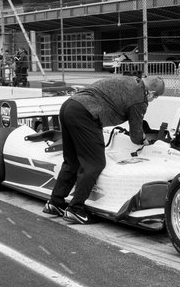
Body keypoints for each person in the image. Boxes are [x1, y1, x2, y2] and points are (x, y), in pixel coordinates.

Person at [45, 73, 166, 224]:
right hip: (86, 114)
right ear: (152, 93)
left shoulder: (129, 79)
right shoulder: (140, 98)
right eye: (154, 98)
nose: (152, 100)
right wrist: (145, 141)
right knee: (94, 163)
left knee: (72, 161)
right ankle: (76, 209)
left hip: (69, 106)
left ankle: (55, 202)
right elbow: (136, 135)